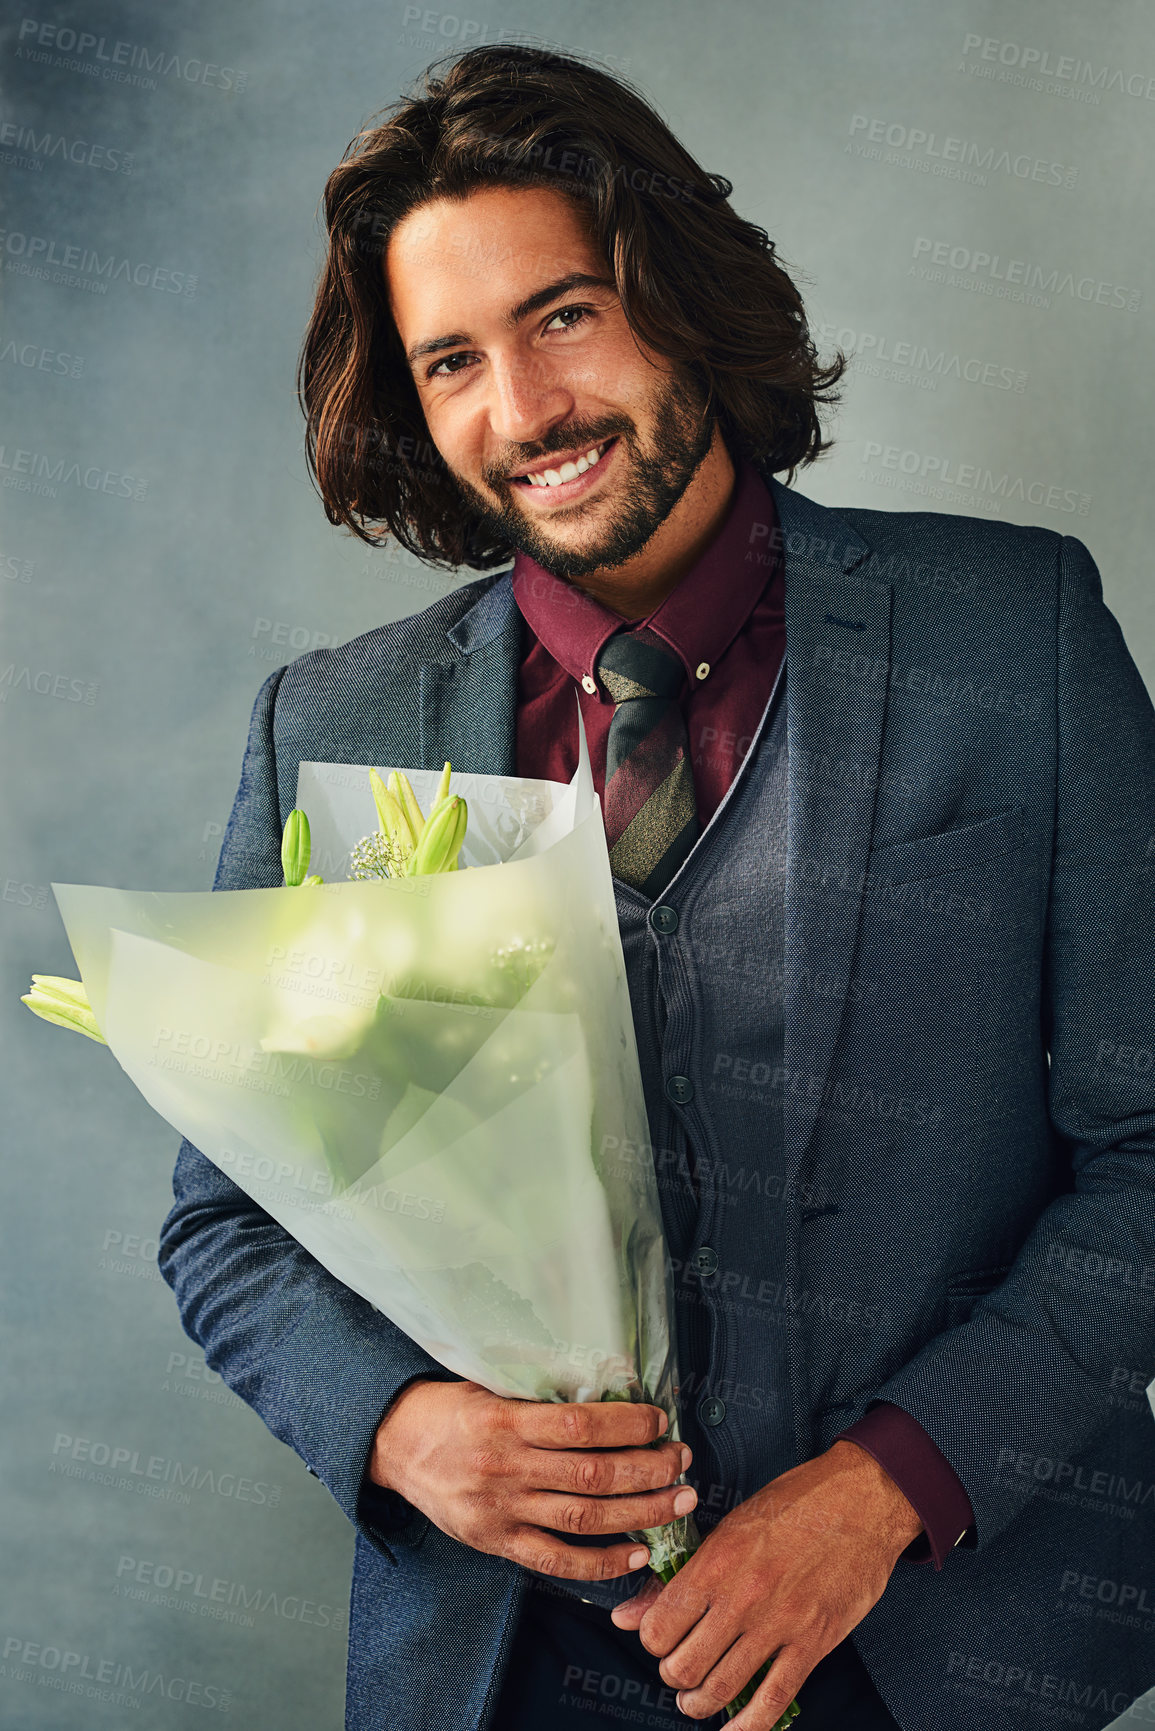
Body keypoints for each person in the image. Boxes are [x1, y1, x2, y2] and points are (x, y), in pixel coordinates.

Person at [158, 43, 1155, 1731]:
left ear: (681, 300)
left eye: (564, 316)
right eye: (453, 360)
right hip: (498, 1675)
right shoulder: (328, 727)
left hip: (936, 1654)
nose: (524, 411)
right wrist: (407, 1430)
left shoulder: (1020, 637)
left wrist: (893, 1486)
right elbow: (226, 1224)